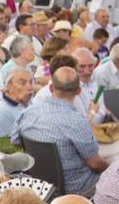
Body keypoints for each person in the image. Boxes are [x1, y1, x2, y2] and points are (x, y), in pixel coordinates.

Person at [18, 67, 109, 195]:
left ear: (51, 88)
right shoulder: (76, 121)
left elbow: (16, 143)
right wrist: (110, 167)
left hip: (39, 185)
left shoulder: (27, 113)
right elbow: (95, 165)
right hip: (78, 189)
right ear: (78, 91)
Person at [0, 67, 33, 143]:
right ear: (9, 87)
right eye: (22, 83)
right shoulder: (3, 111)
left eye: (30, 82)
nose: (29, 87)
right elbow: (6, 146)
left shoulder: (31, 101)